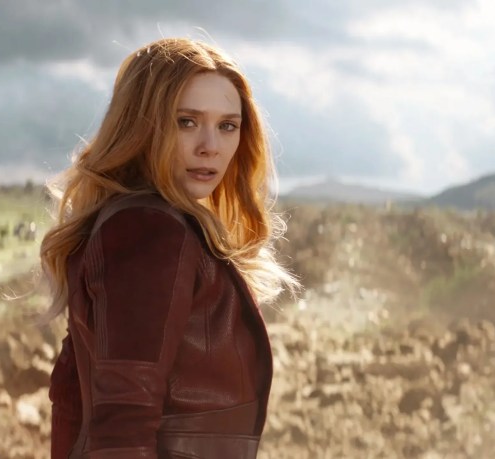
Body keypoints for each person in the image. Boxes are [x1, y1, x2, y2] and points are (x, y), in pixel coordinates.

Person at [38, 38, 300, 458]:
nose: (210, 146)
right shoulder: (148, 232)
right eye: (187, 121)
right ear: (142, 126)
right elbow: (122, 433)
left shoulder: (135, 223)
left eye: (227, 126)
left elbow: (71, 400)